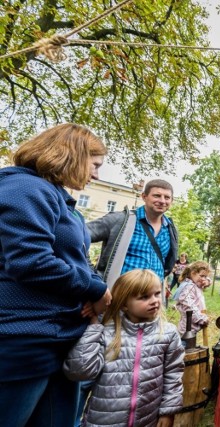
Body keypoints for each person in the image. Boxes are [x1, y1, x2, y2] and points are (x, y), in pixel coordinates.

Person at [0, 123, 112, 426]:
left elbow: (74, 259)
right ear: (72, 154)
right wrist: (94, 289)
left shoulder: (57, 196)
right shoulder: (23, 188)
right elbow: (30, 261)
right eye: (95, 164)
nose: (97, 174)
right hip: (24, 340)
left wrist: (92, 289)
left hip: (58, 339)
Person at [63, 269, 184, 427]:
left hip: (147, 419)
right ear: (125, 304)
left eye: (157, 293)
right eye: (144, 297)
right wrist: (93, 325)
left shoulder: (168, 333)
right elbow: (80, 371)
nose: (155, 301)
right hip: (103, 421)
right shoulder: (107, 332)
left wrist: (168, 411)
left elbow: (173, 375)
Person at [87, 179, 179, 289]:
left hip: (153, 298)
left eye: (167, 197)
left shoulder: (170, 229)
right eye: (157, 196)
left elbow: (167, 265)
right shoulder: (120, 220)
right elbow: (77, 236)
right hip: (119, 296)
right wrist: (92, 275)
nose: (162, 201)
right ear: (144, 196)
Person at [175, 261, 212, 335]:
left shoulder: (195, 283)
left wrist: (207, 281)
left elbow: (207, 281)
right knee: (186, 344)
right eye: (202, 276)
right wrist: (201, 319)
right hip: (186, 329)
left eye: (205, 276)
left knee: (192, 342)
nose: (203, 279)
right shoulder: (188, 287)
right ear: (193, 273)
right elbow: (189, 306)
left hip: (193, 326)